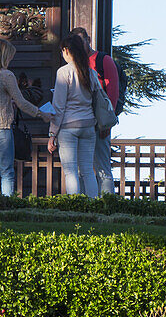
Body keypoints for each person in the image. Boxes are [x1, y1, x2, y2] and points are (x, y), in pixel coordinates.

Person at [0, 38, 43, 197]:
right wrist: (41, 114)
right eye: (10, 56)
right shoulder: (6, 75)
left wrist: (6, 102)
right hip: (0, 128)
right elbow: (22, 103)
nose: (11, 59)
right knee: (6, 171)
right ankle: (6, 207)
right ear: (4, 56)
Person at [47, 34, 101, 197]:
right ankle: (93, 205)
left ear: (67, 51)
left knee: (70, 171)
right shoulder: (90, 72)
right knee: (87, 171)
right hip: (88, 125)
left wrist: (52, 134)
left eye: (62, 51)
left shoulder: (64, 72)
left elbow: (59, 106)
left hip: (69, 127)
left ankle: (74, 206)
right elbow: (97, 98)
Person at [69, 27, 119, 195]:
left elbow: (112, 93)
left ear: (88, 40)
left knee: (102, 167)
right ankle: (85, 203)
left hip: (99, 122)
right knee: (82, 168)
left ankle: (107, 204)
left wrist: (107, 123)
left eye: (81, 41)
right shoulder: (72, 64)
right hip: (81, 121)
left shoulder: (103, 60)